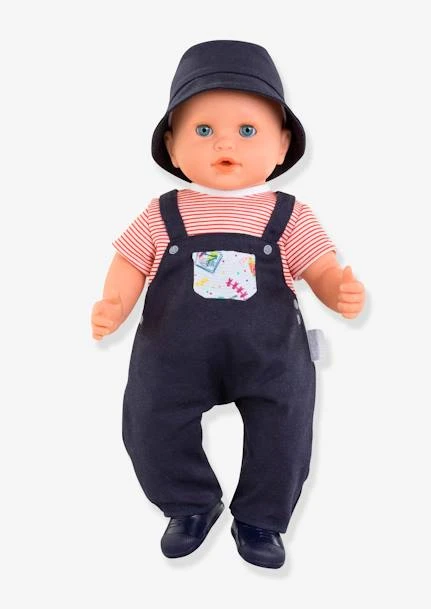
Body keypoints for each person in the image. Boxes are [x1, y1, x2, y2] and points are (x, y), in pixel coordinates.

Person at [91, 40, 365, 569]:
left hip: (270, 357)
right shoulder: (161, 213)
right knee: (149, 420)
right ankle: (189, 503)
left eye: (247, 130)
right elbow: (128, 262)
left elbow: (320, 266)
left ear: (282, 145)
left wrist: (337, 289)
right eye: (202, 130)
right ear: (172, 147)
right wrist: (113, 302)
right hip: (172, 356)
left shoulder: (289, 215)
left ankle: (262, 518)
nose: (225, 142)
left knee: (284, 428)